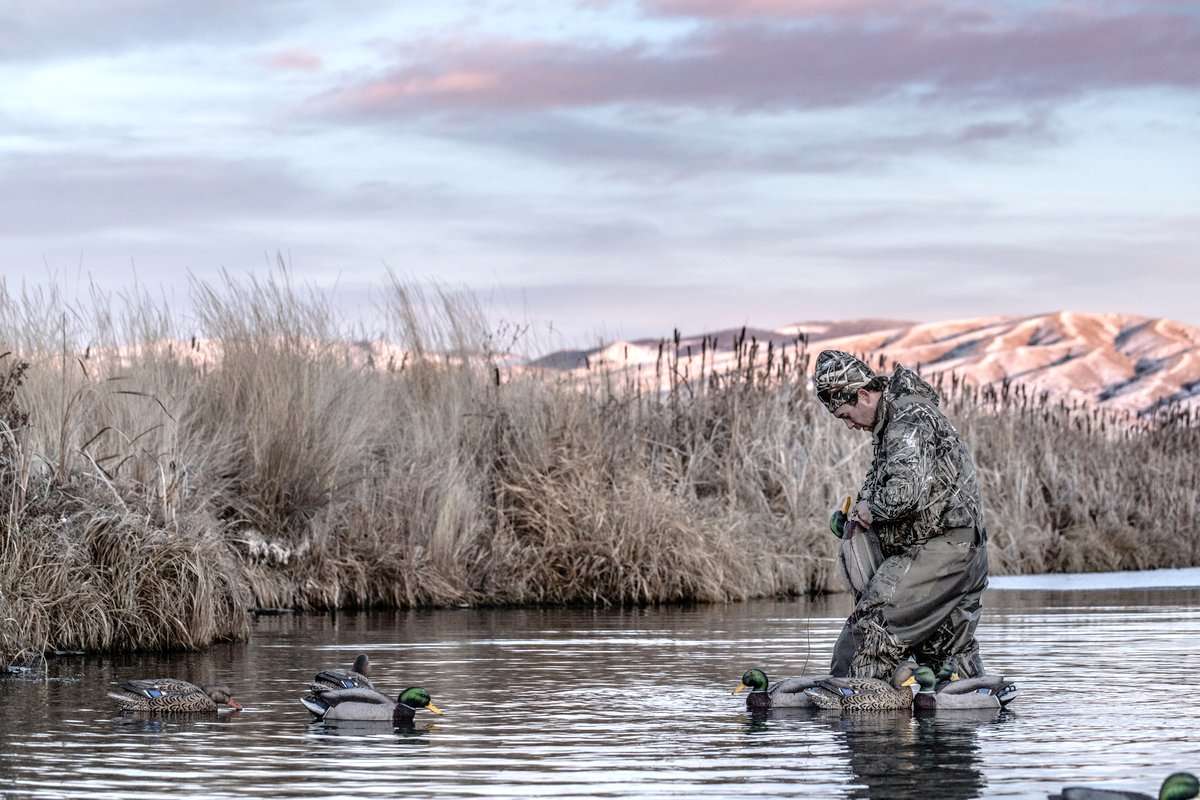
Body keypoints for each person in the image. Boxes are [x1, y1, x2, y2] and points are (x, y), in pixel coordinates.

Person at [814, 350, 988, 680]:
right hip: (959, 554)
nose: (849, 425)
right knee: (946, 661)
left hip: (940, 552)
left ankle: (859, 715)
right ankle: (969, 710)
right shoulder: (895, 421)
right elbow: (896, 482)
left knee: (868, 636)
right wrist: (855, 515)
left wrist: (869, 509)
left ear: (863, 394)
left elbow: (903, 494)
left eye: (845, 414)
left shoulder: (908, 421)